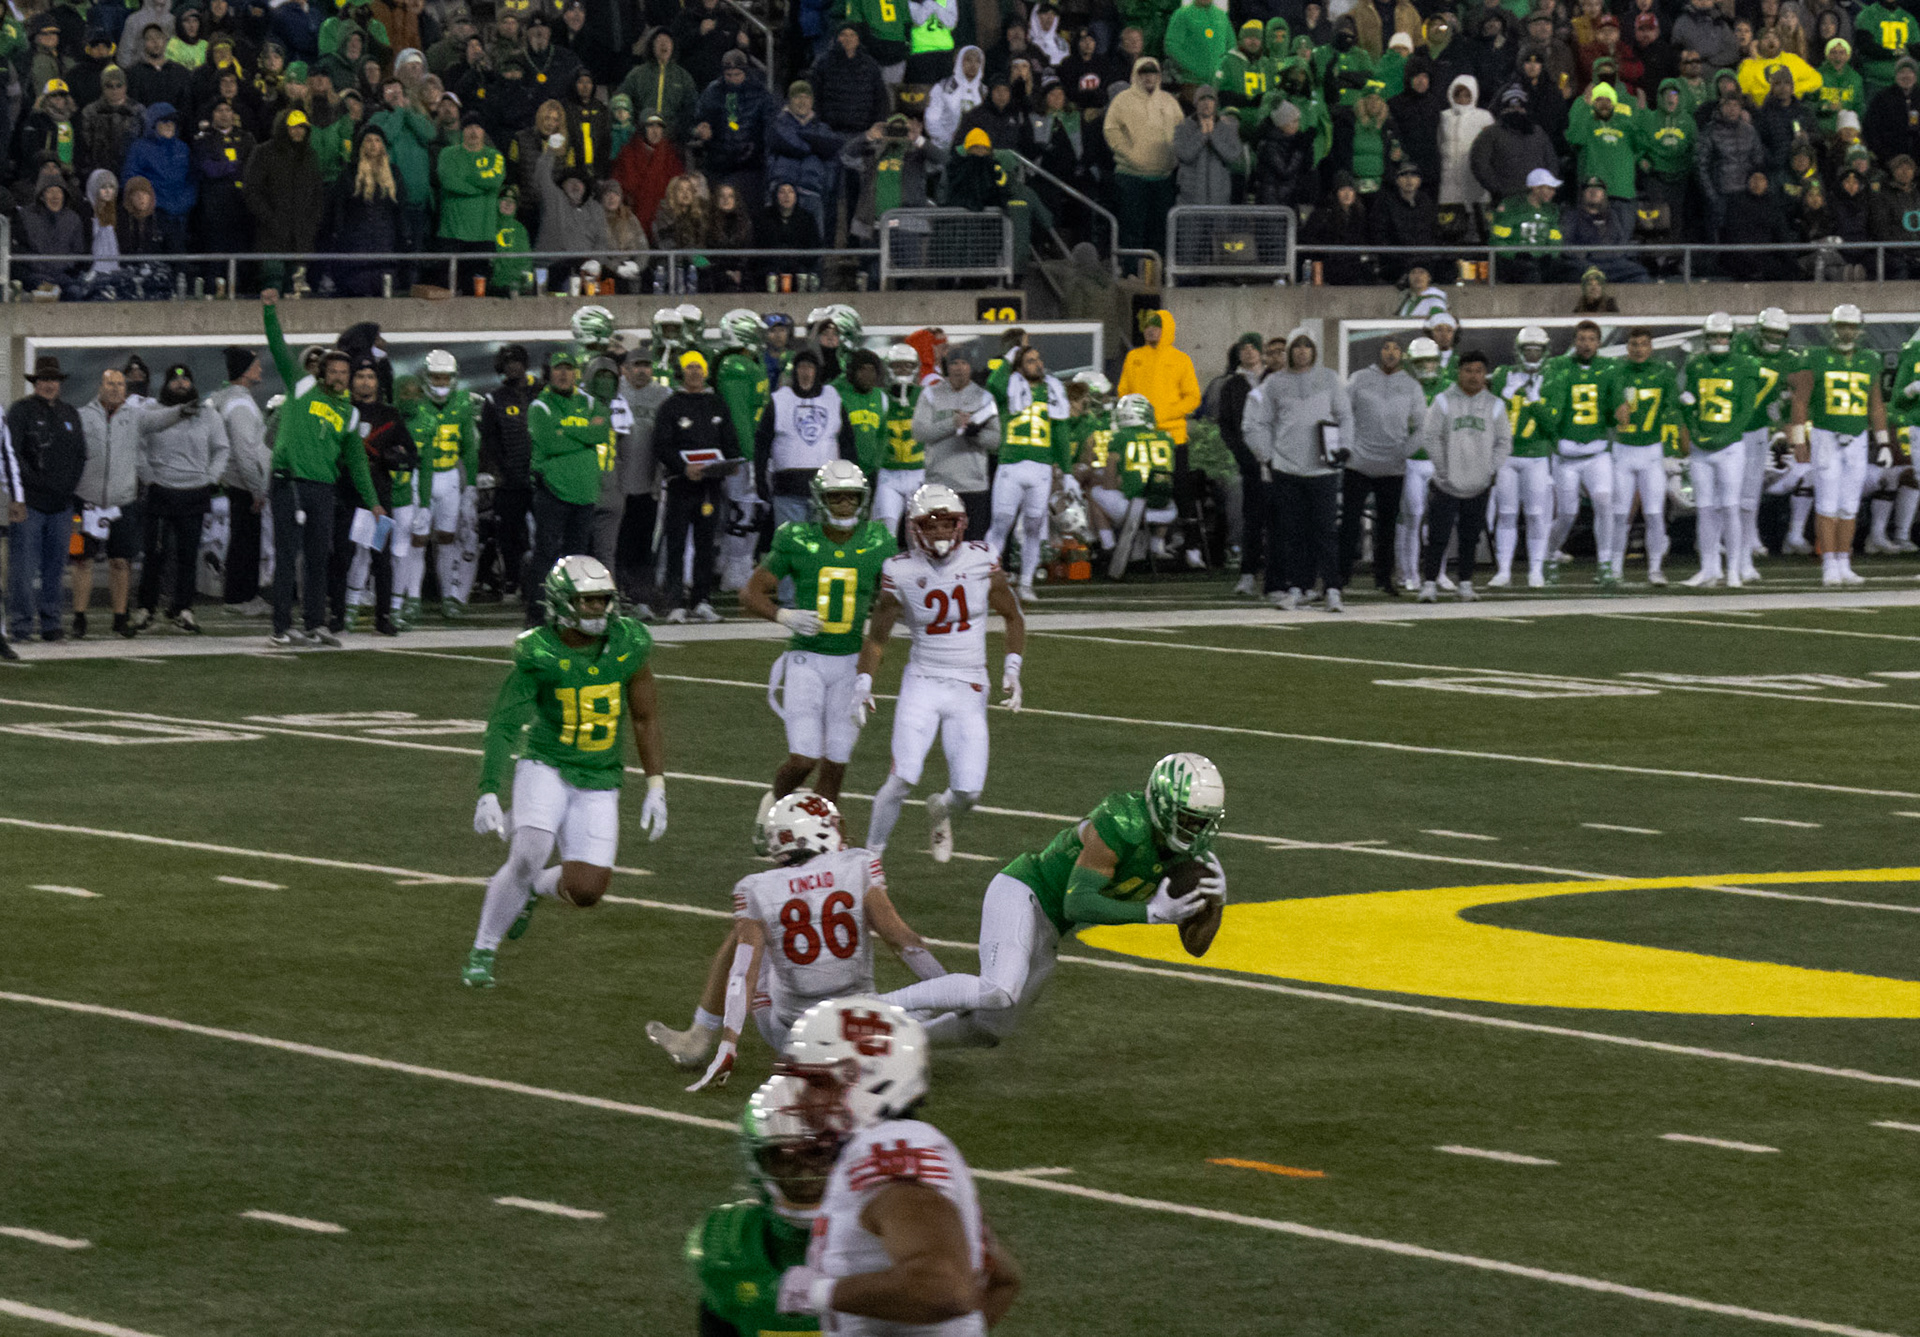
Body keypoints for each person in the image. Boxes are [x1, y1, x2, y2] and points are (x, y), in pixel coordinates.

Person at [877, 753, 1224, 1045]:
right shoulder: (1122, 822)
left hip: (1050, 925)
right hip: (1023, 890)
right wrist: (1150, 914)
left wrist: (1216, 903)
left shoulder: (1191, 855)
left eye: (1203, 822)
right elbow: (1078, 902)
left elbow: (1196, 946)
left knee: (988, 1029)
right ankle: (876, 1006)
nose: (1196, 830)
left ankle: (900, 1044)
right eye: (1189, 818)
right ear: (1162, 804)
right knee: (999, 989)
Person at [462, 555, 667, 988]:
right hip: (547, 765)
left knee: (587, 890)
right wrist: (488, 789)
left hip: (601, 777)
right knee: (529, 852)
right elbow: (503, 725)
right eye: (588, 601)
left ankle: (534, 889)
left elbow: (645, 717)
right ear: (561, 603)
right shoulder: (539, 651)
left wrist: (656, 784)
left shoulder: (629, 642)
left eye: (603, 600)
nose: (598, 609)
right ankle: (484, 949)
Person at [764, 998, 1021, 1329]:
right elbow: (1003, 1278)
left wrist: (819, 1293)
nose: (801, 1099)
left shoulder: (887, 1155)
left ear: (868, 1082)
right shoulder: (901, 1147)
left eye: (817, 1084)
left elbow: (947, 1287)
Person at [676, 790, 945, 1091]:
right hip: (860, 1024)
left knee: (754, 936)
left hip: (793, 1037)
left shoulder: (757, 887)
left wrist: (729, 1045)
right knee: (930, 1007)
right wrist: (943, 987)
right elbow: (901, 939)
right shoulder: (858, 864)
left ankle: (702, 1032)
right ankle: (951, 1010)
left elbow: (742, 973)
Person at [857, 483, 1026, 863]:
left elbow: (1013, 615)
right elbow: (878, 636)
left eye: (947, 524)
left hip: (970, 684)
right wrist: (863, 683)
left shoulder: (982, 559)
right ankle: (870, 860)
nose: (940, 532)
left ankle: (941, 809)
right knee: (903, 777)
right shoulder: (900, 570)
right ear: (915, 528)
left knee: (969, 793)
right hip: (923, 681)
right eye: (931, 525)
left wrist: (1013, 668)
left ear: (960, 524)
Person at [741, 460, 896, 816]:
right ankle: (775, 806)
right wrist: (785, 615)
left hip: (851, 662)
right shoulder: (798, 539)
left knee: (837, 760)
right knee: (804, 758)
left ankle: (824, 830)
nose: (845, 504)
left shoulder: (879, 541)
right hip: (806, 660)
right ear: (820, 499)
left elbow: (898, 596)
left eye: (852, 496)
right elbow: (750, 593)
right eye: (836, 496)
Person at [261, 300, 380, 648]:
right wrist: (269, 311)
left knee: (318, 558)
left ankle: (315, 624)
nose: (339, 377)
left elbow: (357, 462)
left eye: (345, 372)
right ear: (323, 373)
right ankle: (281, 628)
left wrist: (373, 502)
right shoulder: (302, 387)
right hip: (289, 483)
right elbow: (278, 348)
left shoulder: (349, 414)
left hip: (323, 488)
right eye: (334, 371)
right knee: (287, 555)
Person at [1243, 329, 1354, 612]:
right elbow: (1259, 422)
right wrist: (1267, 456)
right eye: (1297, 345)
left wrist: (1344, 446)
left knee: (1325, 531)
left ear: (1315, 350)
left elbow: (1345, 415)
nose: (1302, 350)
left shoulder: (1329, 379)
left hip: (1322, 469)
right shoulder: (1275, 383)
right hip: (1287, 468)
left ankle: (1332, 588)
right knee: (1292, 532)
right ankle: (1296, 587)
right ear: (1290, 350)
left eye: (1307, 345)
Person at [1789, 303, 1886, 587]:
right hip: (1826, 436)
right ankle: (1829, 563)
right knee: (1827, 504)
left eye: (1852, 326)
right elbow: (1800, 401)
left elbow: (1876, 405)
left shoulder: (1869, 359)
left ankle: (1844, 562)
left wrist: (1882, 442)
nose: (1847, 332)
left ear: (1859, 329)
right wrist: (1799, 439)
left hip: (1857, 437)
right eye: (1843, 326)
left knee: (1849, 506)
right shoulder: (1816, 357)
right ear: (1832, 328)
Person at [133, 362, 229, 634]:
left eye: (185, 379)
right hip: (161, 489)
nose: (180, 384)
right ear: (165, 384)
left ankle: (183, 608)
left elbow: (222, 448)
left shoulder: (208, 414)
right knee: (155, 554)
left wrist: (211, 477)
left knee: (188, 555)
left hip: (195, 491)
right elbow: (137, 444)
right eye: (174, 380)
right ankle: (146, 608)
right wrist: (148, 476)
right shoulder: (153, 411)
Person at [526, 348, 614, 626]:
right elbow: (549, 442)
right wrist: (583, 436)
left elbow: (600, 432)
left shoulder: (591, 403)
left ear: (576, 373)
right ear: (550, 373)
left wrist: (565, 430)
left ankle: (570, 612)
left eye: (568, 368)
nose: (563, 374)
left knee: (577, 558)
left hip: (584, 492)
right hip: (552, 490)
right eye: (558, 369)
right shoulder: (539, 406)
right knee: (546, 553)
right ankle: (537, 614)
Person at [1417, 351, 1511, 602]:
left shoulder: (1495, 405)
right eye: (1468, 370)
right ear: (1459, 372)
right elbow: (1430, 437)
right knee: (1438, 536)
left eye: (1479, 371)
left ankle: (1466, 584)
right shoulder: (1443, 401)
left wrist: (1489, 469)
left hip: (1478, 484)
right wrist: (1443, 469)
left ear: (1485, 374)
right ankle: (1429, 584)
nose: (1473, 376)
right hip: (1445, 483)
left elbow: (1504, 442)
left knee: (1471, 537)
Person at [652, 351, 738, 624]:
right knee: (675, 544)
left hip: (709, 487)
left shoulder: (717, 404)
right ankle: (675, 602)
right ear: (681, 372)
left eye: (698, 367)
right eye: (689, 367)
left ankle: (702, 600)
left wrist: (731, 463)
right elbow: (662, 445)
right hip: (680, 486)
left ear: (705, 371)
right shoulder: (671, 406)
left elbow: (729, 441)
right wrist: (682, 467)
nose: (694, 372)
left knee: (706, 545)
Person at [7, 357, 87, 646]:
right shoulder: (21, 411)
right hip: (30, 503)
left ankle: (52, 623)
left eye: (53, 379)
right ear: (35, 382)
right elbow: (11, 454)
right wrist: (21, 493)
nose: (49, 384)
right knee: (24, 568)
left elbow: (80, 454)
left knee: (56, 567)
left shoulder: (70, 413)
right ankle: (21, 624)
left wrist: (69, 487)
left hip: (62, 504)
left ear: (59, 383)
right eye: (43, 379)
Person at [1679, 311, 1762, 588]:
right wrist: (1696, 432)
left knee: (1730, 507)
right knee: (1704, 509)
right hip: (1703, 446)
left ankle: (1734, 570)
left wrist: (1726, 436)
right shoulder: (1696, 365)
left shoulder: (1745, 365)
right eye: (1714, 336)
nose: (1719, 340)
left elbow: (1746, 410)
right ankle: (1708, 569)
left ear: (1732, 338)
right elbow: (1689, 403)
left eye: (1723, 336)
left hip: (1730, 447)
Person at [1538, 319, 1620, 584]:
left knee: (1604, 502)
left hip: (1597, 451)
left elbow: (1614, 409)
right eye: (1582, 339)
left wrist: (1620, 412)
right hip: (1567, 455)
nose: (1586, 344)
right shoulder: (1559, 366)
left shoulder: (1609, 368)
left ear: (1599, 342)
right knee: (1567, 514)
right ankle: (1549, 554)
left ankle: (1605, 564)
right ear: (1575, 341)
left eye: (1591, 339)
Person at [986, 345, 1069, 604]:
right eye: (1030, 360)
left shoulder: (1052, 389)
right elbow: (993, 385)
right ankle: (985, 581)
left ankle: (1026, 583)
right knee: (1001, 523)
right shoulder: (1008, 386)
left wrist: (1066, 470)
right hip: (1011, 464)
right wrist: (1008, 358)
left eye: (1038, 358)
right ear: (1019, 366)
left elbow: (1060, 432)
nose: (1037, 363)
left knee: (1034, 526)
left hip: (1041, 467)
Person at [1344, 337, 1423, 595]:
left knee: (1387, 526)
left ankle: (1383, 579)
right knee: (1349, 522)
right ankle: (1340, 577)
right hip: (1358, 463)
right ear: (1378, 352)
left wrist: (1405, 451)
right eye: (1386, 348)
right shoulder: (1359, 379)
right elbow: (1342, 413)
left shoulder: (1411, 386)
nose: (1391, 353)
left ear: (1402, 354)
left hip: (1392, 466)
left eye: (1396, 348)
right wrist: (1347, 447)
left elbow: (1422, 425)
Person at [1605, 327, 1682, 586]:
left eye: (1643, 344)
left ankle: (1655, 569)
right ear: (1628, 347)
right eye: (1634, 344)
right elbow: (1608, 405)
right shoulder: (1617, 371)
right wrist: (1615, 410)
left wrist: (1670, 449)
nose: (1639, 349)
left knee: (1653, 513)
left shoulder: (1663, 372)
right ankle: (1615, 569)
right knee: (1619, 514)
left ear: (1651, 347)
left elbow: (1672, 410)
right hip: (1623, 450)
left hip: (1651, 451)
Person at [74, 368, 144, 639]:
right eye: (110, 383)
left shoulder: (135, 416)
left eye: (120, 384)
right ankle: (79, 617)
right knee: (82, 560)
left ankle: (120, 617)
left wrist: (183, 410)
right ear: (100, 387)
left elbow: (161, 420)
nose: (115, 388)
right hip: (86, 500)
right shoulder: (82, 416)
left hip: (122, 501)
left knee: (121, 561)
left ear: (126, 389)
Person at [1733, 305, 1801, 578]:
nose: (1774, 338)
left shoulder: (1788, 360)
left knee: (1750, 494)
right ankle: (1718, 546)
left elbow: (1788, 401)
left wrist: (1783, 430)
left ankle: (1747, 544)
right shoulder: (1739, 347)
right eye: (1769, 332)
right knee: (1727, 494)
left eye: (1778, 333)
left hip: (1758, 429)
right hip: (1730, 430)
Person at [1488, 326, 1556, 588]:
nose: (1532, 355)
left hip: (1536, 456)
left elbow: (1551, 427)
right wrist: (1505, 395)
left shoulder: (1552, 378)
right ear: (1519, 351)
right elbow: (1490, 418)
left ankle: (1536, 570)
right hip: (1507, 455)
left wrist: (1536, 401)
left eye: (1537, 350)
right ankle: (1504, 570)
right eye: (1528, 350)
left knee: (1536, 514)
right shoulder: (1503, 375)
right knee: (1506, 513)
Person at [415, 349, 480, 618]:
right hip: (419, 476)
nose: (440, 383)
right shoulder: (415, 403)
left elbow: (469, 449)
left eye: (445, 377)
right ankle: (410, 597)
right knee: (416, 540)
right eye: (436, 377)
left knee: (447, 539)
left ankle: (450, 596)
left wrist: (471, 485)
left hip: (450, 476)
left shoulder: (463, 403)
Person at [914, 350, 999, 538]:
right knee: (939, 542)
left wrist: (974, 434)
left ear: (970, 367)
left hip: (974, 485)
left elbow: (995, 441)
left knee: (972, 542)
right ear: (947, 367)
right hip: (939, 484)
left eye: (964, 363)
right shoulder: (930, 394)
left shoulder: (984, 397)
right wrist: (951, 424)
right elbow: (919, 432)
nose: (959, 368)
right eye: (954, 363)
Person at [1104, 56, 1182, 255]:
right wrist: (1130, 154)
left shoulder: (1169, 101)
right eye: (1144, 73)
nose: (1148, 77)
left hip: (1163, 177)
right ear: (1136, 75)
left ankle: (1156, 270)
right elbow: (1111, 130)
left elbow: (1181, 131)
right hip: (1131, 176)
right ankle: (1131, 269)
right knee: (1132, 230)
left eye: (1153, 73)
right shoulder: (1122, 100)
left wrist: (1174, 158)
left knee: (1159, 231)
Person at [1217, 334, 1271, 596]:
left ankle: (1276, 574)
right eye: (1244, 349)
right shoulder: (1232, 385)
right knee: (1252, 517)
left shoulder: (1273, 379)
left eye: (1253, 348)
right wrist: (1242, 453)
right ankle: (1248, 572)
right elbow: (1227, 425)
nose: (1249, 353)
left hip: (1278, 460)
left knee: (1278, 518)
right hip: (1249, 462)